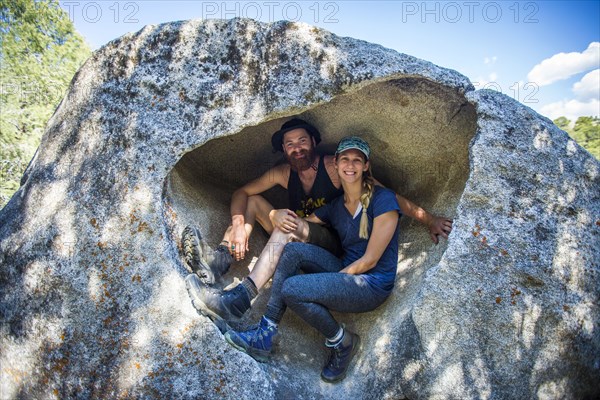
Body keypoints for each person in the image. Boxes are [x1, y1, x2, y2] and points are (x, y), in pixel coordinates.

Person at [184, 118, 452, 327]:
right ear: (284, 149)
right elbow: (241, 193)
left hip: (332, 243)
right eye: (290, 144)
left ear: (314, 142)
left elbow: (390, 197)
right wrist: (239, 224)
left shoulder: (336, 167)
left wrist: (429, 219)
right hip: (302, 231)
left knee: (286, 224)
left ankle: (241, 298)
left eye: (302, 141)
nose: (297, 148)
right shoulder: (283, 172)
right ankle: (220, 260)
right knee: (254, 205)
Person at [224, 136, 400, 382]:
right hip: (344, 269)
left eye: (357, 160)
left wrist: (331, 282)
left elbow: (370, 260)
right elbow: (299, 226)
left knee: (292, 288)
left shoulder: (383, 200)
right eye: (345, 159)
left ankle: (342, 341)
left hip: (371, 284)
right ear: (335, 163)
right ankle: (265, 332)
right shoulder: (336, 206)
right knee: (293, 251)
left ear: (366, 166)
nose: (351, 165)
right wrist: (274, 215)